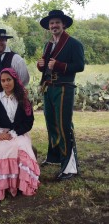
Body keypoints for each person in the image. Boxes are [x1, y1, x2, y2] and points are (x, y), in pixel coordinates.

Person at [37, 10, 85, 181]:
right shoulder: (49, 45)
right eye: (51, 23)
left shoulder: (74, 44)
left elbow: (79, 66)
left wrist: (59, 65)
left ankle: (70, 166)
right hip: (49, 88)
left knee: (64, 125)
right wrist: (40, 64)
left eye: (57, 22)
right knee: (51, 123)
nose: (54, 26)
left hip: (64, 88)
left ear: (63, 24)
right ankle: (55, 157)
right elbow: (46, 66)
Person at [0, 68, 40, 201]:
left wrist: (14, 133)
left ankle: (21, 184)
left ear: (15, 80)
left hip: (18, 133)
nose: (6, 83)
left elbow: (29, 122)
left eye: (9, 80)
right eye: (3, 81)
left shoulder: (23, 100)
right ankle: (3, 188)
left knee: (21, 147)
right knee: (1, 149)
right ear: (0, 82)